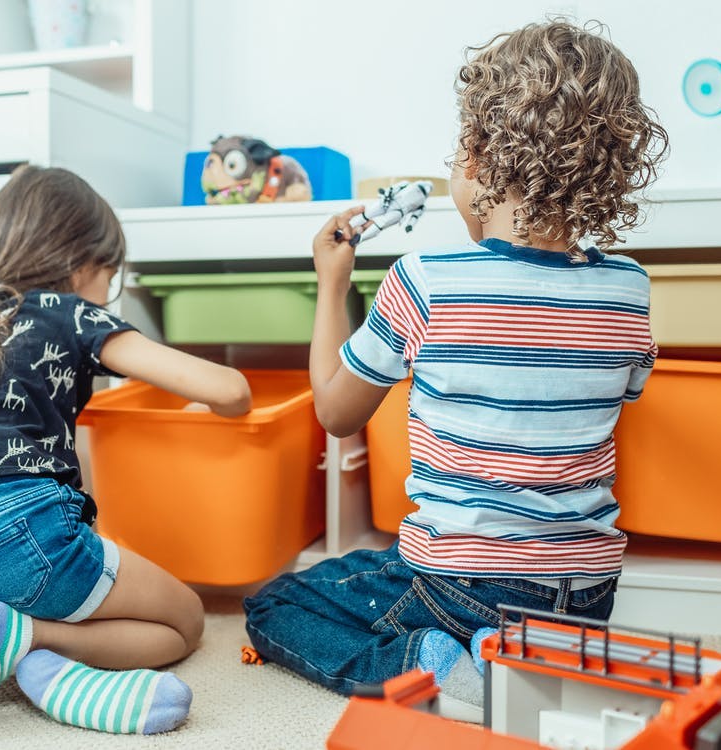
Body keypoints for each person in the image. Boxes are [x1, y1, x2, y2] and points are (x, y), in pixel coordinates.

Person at [243, 20, 667, 717]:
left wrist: (330, 283)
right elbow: (626, 389)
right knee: (382, 582)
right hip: (587, 594)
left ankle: (430, 663)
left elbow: (335, 413)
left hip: (462, 583)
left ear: (475, 155)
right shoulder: (627, 287)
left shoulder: (426, 279)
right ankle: (524, 661)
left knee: (276, 601)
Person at [0, 165, 252, 745]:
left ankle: (11, 652)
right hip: (20, 535)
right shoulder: (66, 310)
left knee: (26, 597)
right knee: (184, 622)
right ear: (83, 266)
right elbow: (231, 390)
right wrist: (216, 408)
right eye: (110, 276)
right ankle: (33, 640)